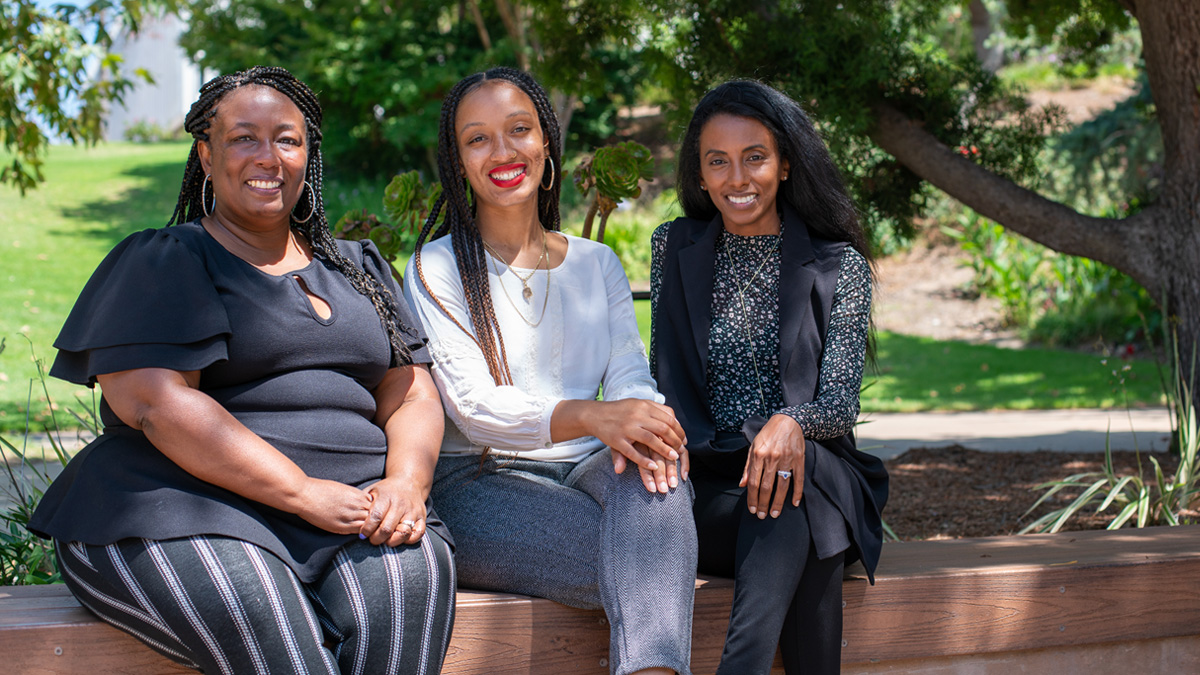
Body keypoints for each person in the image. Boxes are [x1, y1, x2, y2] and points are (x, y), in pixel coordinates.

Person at [27, 66, 456, 675]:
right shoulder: (167, 259)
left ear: (308, 153)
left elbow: (409, 388)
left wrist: (407, 485)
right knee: (270, 629)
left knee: (408, 593)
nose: (268, 156)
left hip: (355, 509)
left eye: (287, 139)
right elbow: (155, 402)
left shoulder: (357, 268)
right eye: (243, 138)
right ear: (206, 154)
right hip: (184, 508)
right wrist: (303, 494)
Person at [402, 67, 697, 675]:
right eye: (477, 139)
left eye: (518, 130)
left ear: (546, 145)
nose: (503, 151)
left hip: (595, 463)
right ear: (457, 162)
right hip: (478, 479)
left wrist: (645, 424)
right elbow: (473, 409)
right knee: (651, 558)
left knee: (659, 486)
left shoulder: (597, 262)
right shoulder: (436, 268)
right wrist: (592, 415)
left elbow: (627, 372)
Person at [650, 80, 890, 675]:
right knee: (796, 516)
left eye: (755, 157)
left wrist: (791, 422)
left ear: (785, 164)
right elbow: (663, 376)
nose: (738, 178)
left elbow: (837, 403)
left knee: (790, 492)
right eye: (718, 161)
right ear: (700, 175)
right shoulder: (673, 248)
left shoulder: (838, 265)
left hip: (813, 473)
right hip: (707, 484)